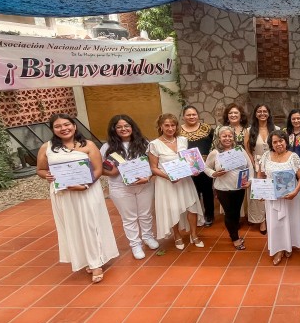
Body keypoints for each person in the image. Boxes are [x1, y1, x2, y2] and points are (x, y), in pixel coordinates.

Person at [36, 114, 118, 283]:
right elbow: (41, 169)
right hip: (64, 194)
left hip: (87, 191)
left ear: (74, 126)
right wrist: (47, 176)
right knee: (72, 226)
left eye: (67, 124)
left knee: (90, 224)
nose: (63, 128)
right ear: (52, 129)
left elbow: (97, 170)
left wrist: (86, 185)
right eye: (58, 126)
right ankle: (84, 259)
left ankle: (96, 263)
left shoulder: (88, 145)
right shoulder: (47, 147)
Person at [100, 114, 159, 260]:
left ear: (132, 127)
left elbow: (152, 164)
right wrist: (114, 171)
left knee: (146, 213)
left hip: (144, 184)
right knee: (129, 217)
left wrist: (148, 177)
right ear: (114, 129)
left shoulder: (144, 142)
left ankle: (147, 236)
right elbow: (100, 168)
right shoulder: (107, 147)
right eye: (119, 127)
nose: (123, 129)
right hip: (120, 187)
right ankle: (135, 244)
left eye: (126, 126)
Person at [148, 113, 205, 250]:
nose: (170, 128)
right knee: (172, 207)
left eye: (173, 125)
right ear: (161, 126)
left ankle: (194, 234)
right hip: (167, 183)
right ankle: (177, 235)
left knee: (192, 207)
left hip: (185, 180)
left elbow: (189, 160)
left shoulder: (183, 140)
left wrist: (195, 168)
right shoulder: (154, 144)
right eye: (166, 125)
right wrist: (169, 177)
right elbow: (153, 168)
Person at [258, 130, 300, 265]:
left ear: (286, 142)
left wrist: (295, 192)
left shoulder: (293, 156)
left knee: (290, 220)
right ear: (271, 144)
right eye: (275, 142)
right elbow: (261, 175)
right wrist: (260, 192)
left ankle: (289, 245)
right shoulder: (266, 156)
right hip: (272, 197)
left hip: (289, 197)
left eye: (281, 141)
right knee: (274, 223)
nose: (278, 144)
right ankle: (278, 249)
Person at [205, 126, 254, 250]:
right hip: (223, 189)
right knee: (229, 213)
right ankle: (235, 238)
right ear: (219, 138)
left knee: (236, 212)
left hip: (239, 187)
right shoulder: (215, 153)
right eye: (224, 136)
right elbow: (206, 168)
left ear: (234, 137)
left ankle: (234, 234)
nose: (227, 138)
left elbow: (250, 166)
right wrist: (214, 174)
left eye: (230, 136)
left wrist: (250, 181)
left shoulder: (239, 149)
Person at [244, 104, 278, 234]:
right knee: (259, 192)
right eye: (259, 111)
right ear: (255, 114)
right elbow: (247, 149)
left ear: (269, 113)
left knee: (272, 191)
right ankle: (261, 220)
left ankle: (272, 218)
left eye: (265, 111)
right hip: (256, 164)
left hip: (272, 163)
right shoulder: (249, 130)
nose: (262, 113)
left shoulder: (276, 129)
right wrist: (252, 163)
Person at [180, 105, 215, 226]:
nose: (191, 117)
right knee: (192, 192)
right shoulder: (178, 131)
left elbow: (213, 145)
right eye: (188, 115)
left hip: (206, 166)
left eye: (194, 114)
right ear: (183, 117)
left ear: (198, 115)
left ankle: (209, 215)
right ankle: (195, 216)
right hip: (188, 168)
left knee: (207, 192)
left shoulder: (207, 128)